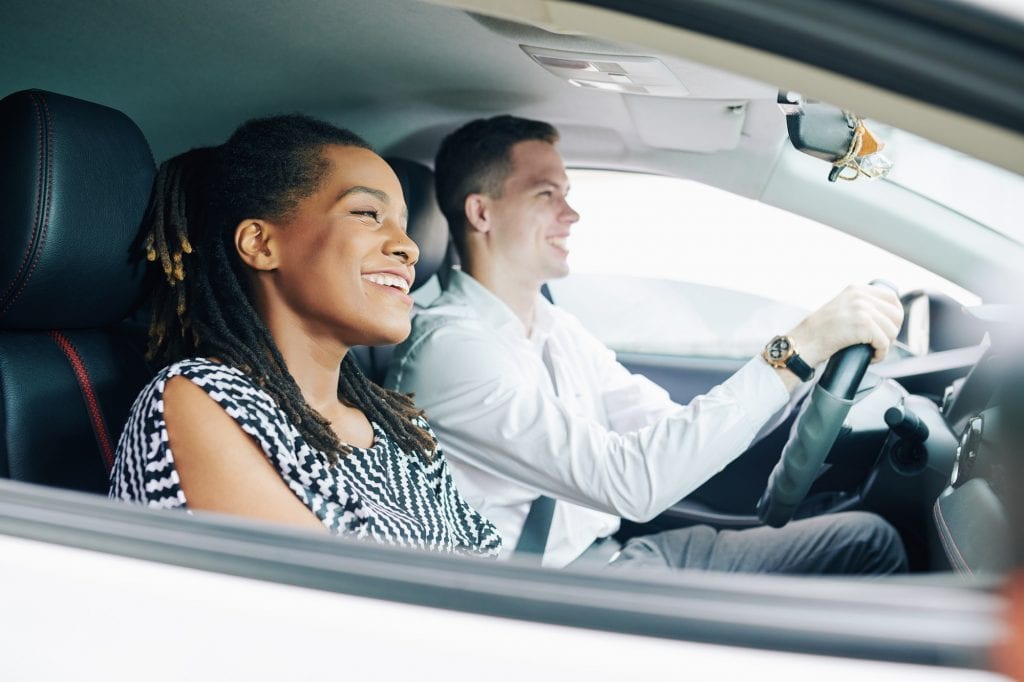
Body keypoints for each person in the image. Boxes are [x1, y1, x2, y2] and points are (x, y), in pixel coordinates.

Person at [386, 114, 908, 572]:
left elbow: (666, 428)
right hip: (551, 595)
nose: (571, 215)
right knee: (870, 550)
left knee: (867, 538)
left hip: (614, 556)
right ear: (481, 213)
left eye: (567, 194)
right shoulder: (450, 350)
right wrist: (794, 351)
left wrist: (803, 374)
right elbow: (632, 482)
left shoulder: (551, 325)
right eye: (547, 195)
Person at [109, 114, 501, 557]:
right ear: (260, 244)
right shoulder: (202, 399)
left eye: (403, 224)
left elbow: (481, 563)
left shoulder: (402, 428)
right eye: (367, 214)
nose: (408, 247)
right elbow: (334, 605)